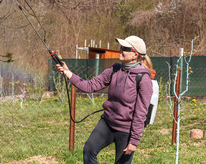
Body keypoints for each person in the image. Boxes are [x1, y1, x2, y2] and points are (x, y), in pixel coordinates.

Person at [56, 36, 154, 164]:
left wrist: (134, 141)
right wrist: (68, 73)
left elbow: (141, 113)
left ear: (135, 55)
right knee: (88, 150)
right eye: (121, 47)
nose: (120, 50)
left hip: (126, 130)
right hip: (107, 123)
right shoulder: (115, 69)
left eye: (125, 48)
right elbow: (90, 86)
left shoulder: (143, 79)